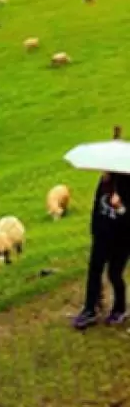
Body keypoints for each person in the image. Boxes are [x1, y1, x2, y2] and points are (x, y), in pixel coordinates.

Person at [74, 138, 130, 329]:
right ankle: (90, 309)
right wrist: (94, 229)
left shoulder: (127, 184)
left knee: (114, 273)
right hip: (102, 235)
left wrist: (121, 207)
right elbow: (96, 206)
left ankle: (120, 308)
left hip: (123, 238)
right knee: (94, 271)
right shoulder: (105, 182)